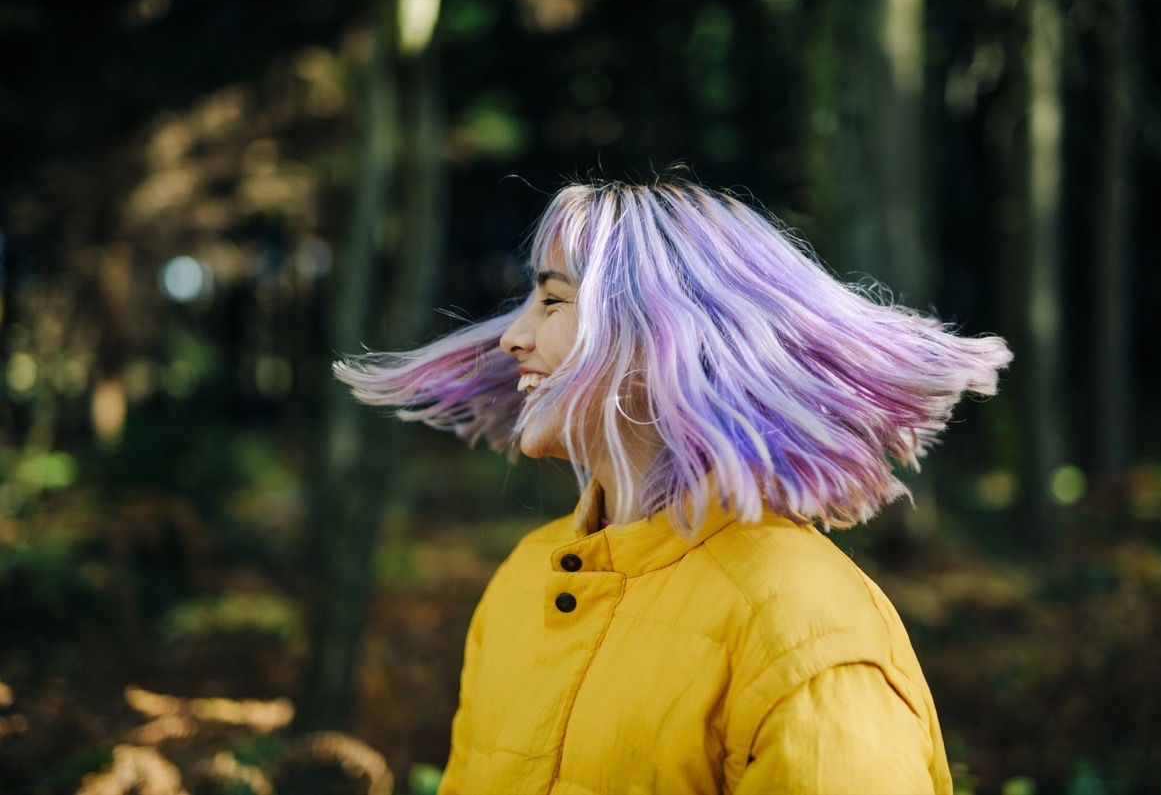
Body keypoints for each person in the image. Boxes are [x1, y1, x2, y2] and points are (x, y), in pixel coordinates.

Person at [334, 176, 1012, 794]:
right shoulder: (521, 583)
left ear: (661, 337)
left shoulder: (805, 627)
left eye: (552, 299)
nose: (513, 335)